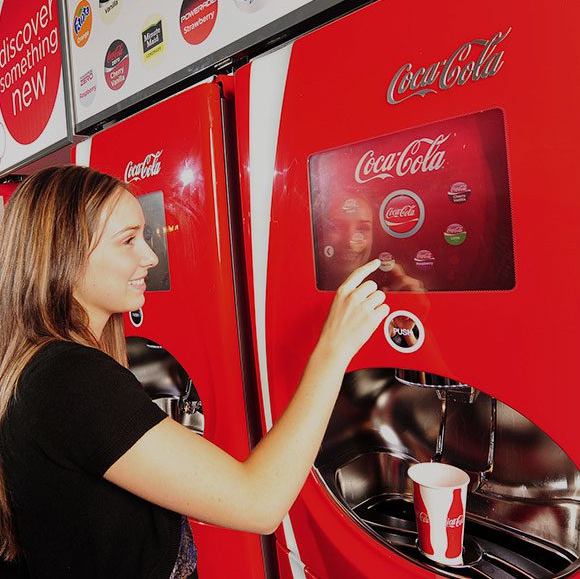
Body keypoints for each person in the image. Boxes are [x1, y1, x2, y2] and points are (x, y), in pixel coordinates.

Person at [0, 166, 389, 578]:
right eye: (128, 240)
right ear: (65, 253)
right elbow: (258, 502)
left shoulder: (41, 367)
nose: (150, 257)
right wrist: (334, 348)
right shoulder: (71, 378)